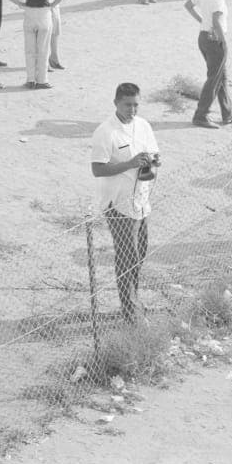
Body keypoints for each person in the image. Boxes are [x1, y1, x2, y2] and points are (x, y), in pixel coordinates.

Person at [90, 83, 159, 325]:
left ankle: (133, 300)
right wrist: (129, 164)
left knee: (139, 255)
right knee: (127, 255)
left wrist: (151, 163)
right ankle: (129, 310)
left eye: (136, 104)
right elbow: (97, 169)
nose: (132, 109)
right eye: (127, 105)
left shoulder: (143, 126)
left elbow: (154, 153)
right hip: (118, 203)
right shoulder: (105, 132)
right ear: (116, 103)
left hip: (141, 201)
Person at [184, 0, 232, 129]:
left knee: (220, 76)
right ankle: (201, 115)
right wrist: (222, 39)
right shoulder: (219, 0)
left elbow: (188, 5)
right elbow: (216, 21)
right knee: (214, 79)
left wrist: (201, 20)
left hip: (203, 37)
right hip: (214, 41)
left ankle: (227, 114)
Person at [8, 0, 64, 89]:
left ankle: (30, 79)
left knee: (30, 49)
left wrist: (22, 4)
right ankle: (42, 80)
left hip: (30, 13)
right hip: (44, 13)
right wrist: (51, 5)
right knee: (43, 48)